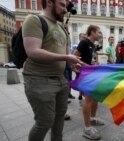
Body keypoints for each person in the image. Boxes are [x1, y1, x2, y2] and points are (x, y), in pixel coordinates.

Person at [22, 0, 83, 140]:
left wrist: (73, 64)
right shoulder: (34, 20)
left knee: (59, 118)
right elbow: (32, 51)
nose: (65, 9)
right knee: (44, 122)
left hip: (60, 79)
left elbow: (67, 56)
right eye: (62, 5)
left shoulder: (62, 28)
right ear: (49, 2)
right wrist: (66, 57)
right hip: (38, 79)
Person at [73, 25, 104, 140]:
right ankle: (87, 128)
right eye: (99, 32)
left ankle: (92, 119)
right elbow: (75, 57)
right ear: (92, 32)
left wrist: (95, 65)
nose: (100, 35)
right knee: (89, 98)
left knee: (95, 97)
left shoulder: (92, 45)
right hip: (86, 74)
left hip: (92, 74)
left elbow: (92, 59)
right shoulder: (84, 43)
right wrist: (84, 66)